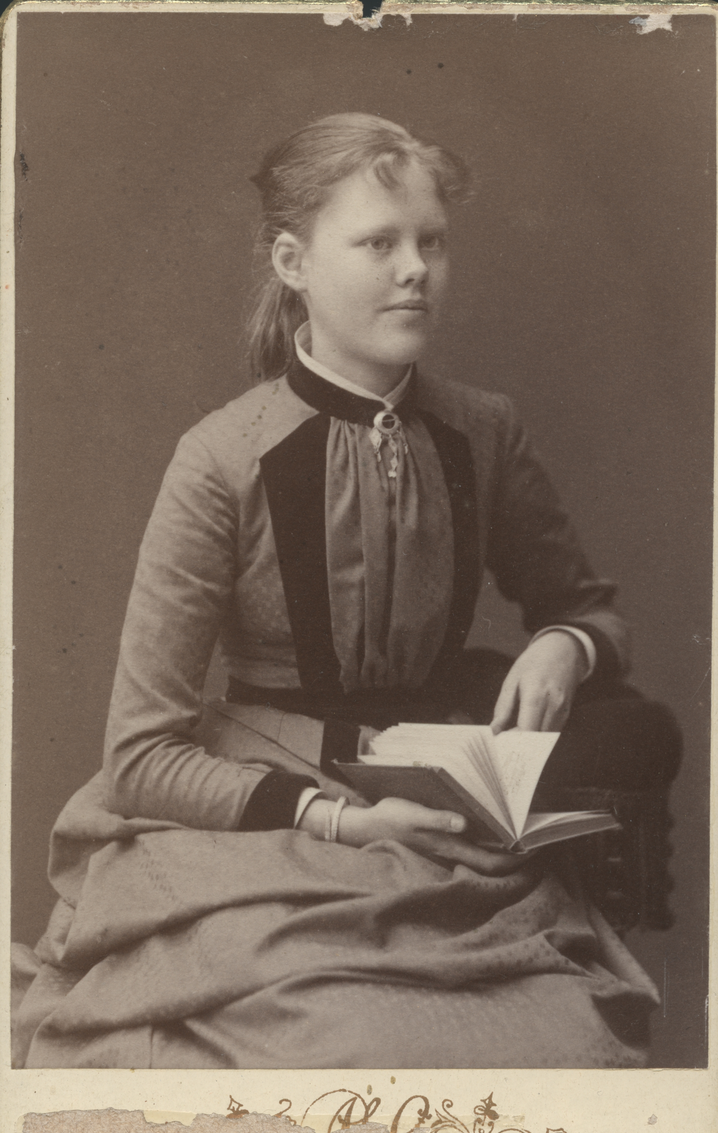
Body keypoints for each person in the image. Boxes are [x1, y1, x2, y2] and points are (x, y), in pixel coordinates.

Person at [12, 113, 681, 1070]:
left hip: (448, 824)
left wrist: (564, 645)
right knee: (355, 1048)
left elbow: (590, 607)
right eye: (378, 243)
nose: (416, 270)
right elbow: (140, 755)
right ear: (293, 262)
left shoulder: (483, 432)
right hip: (271, 830)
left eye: (432, 242)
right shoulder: (220, 459)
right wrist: (339, 818)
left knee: (562, 1048)